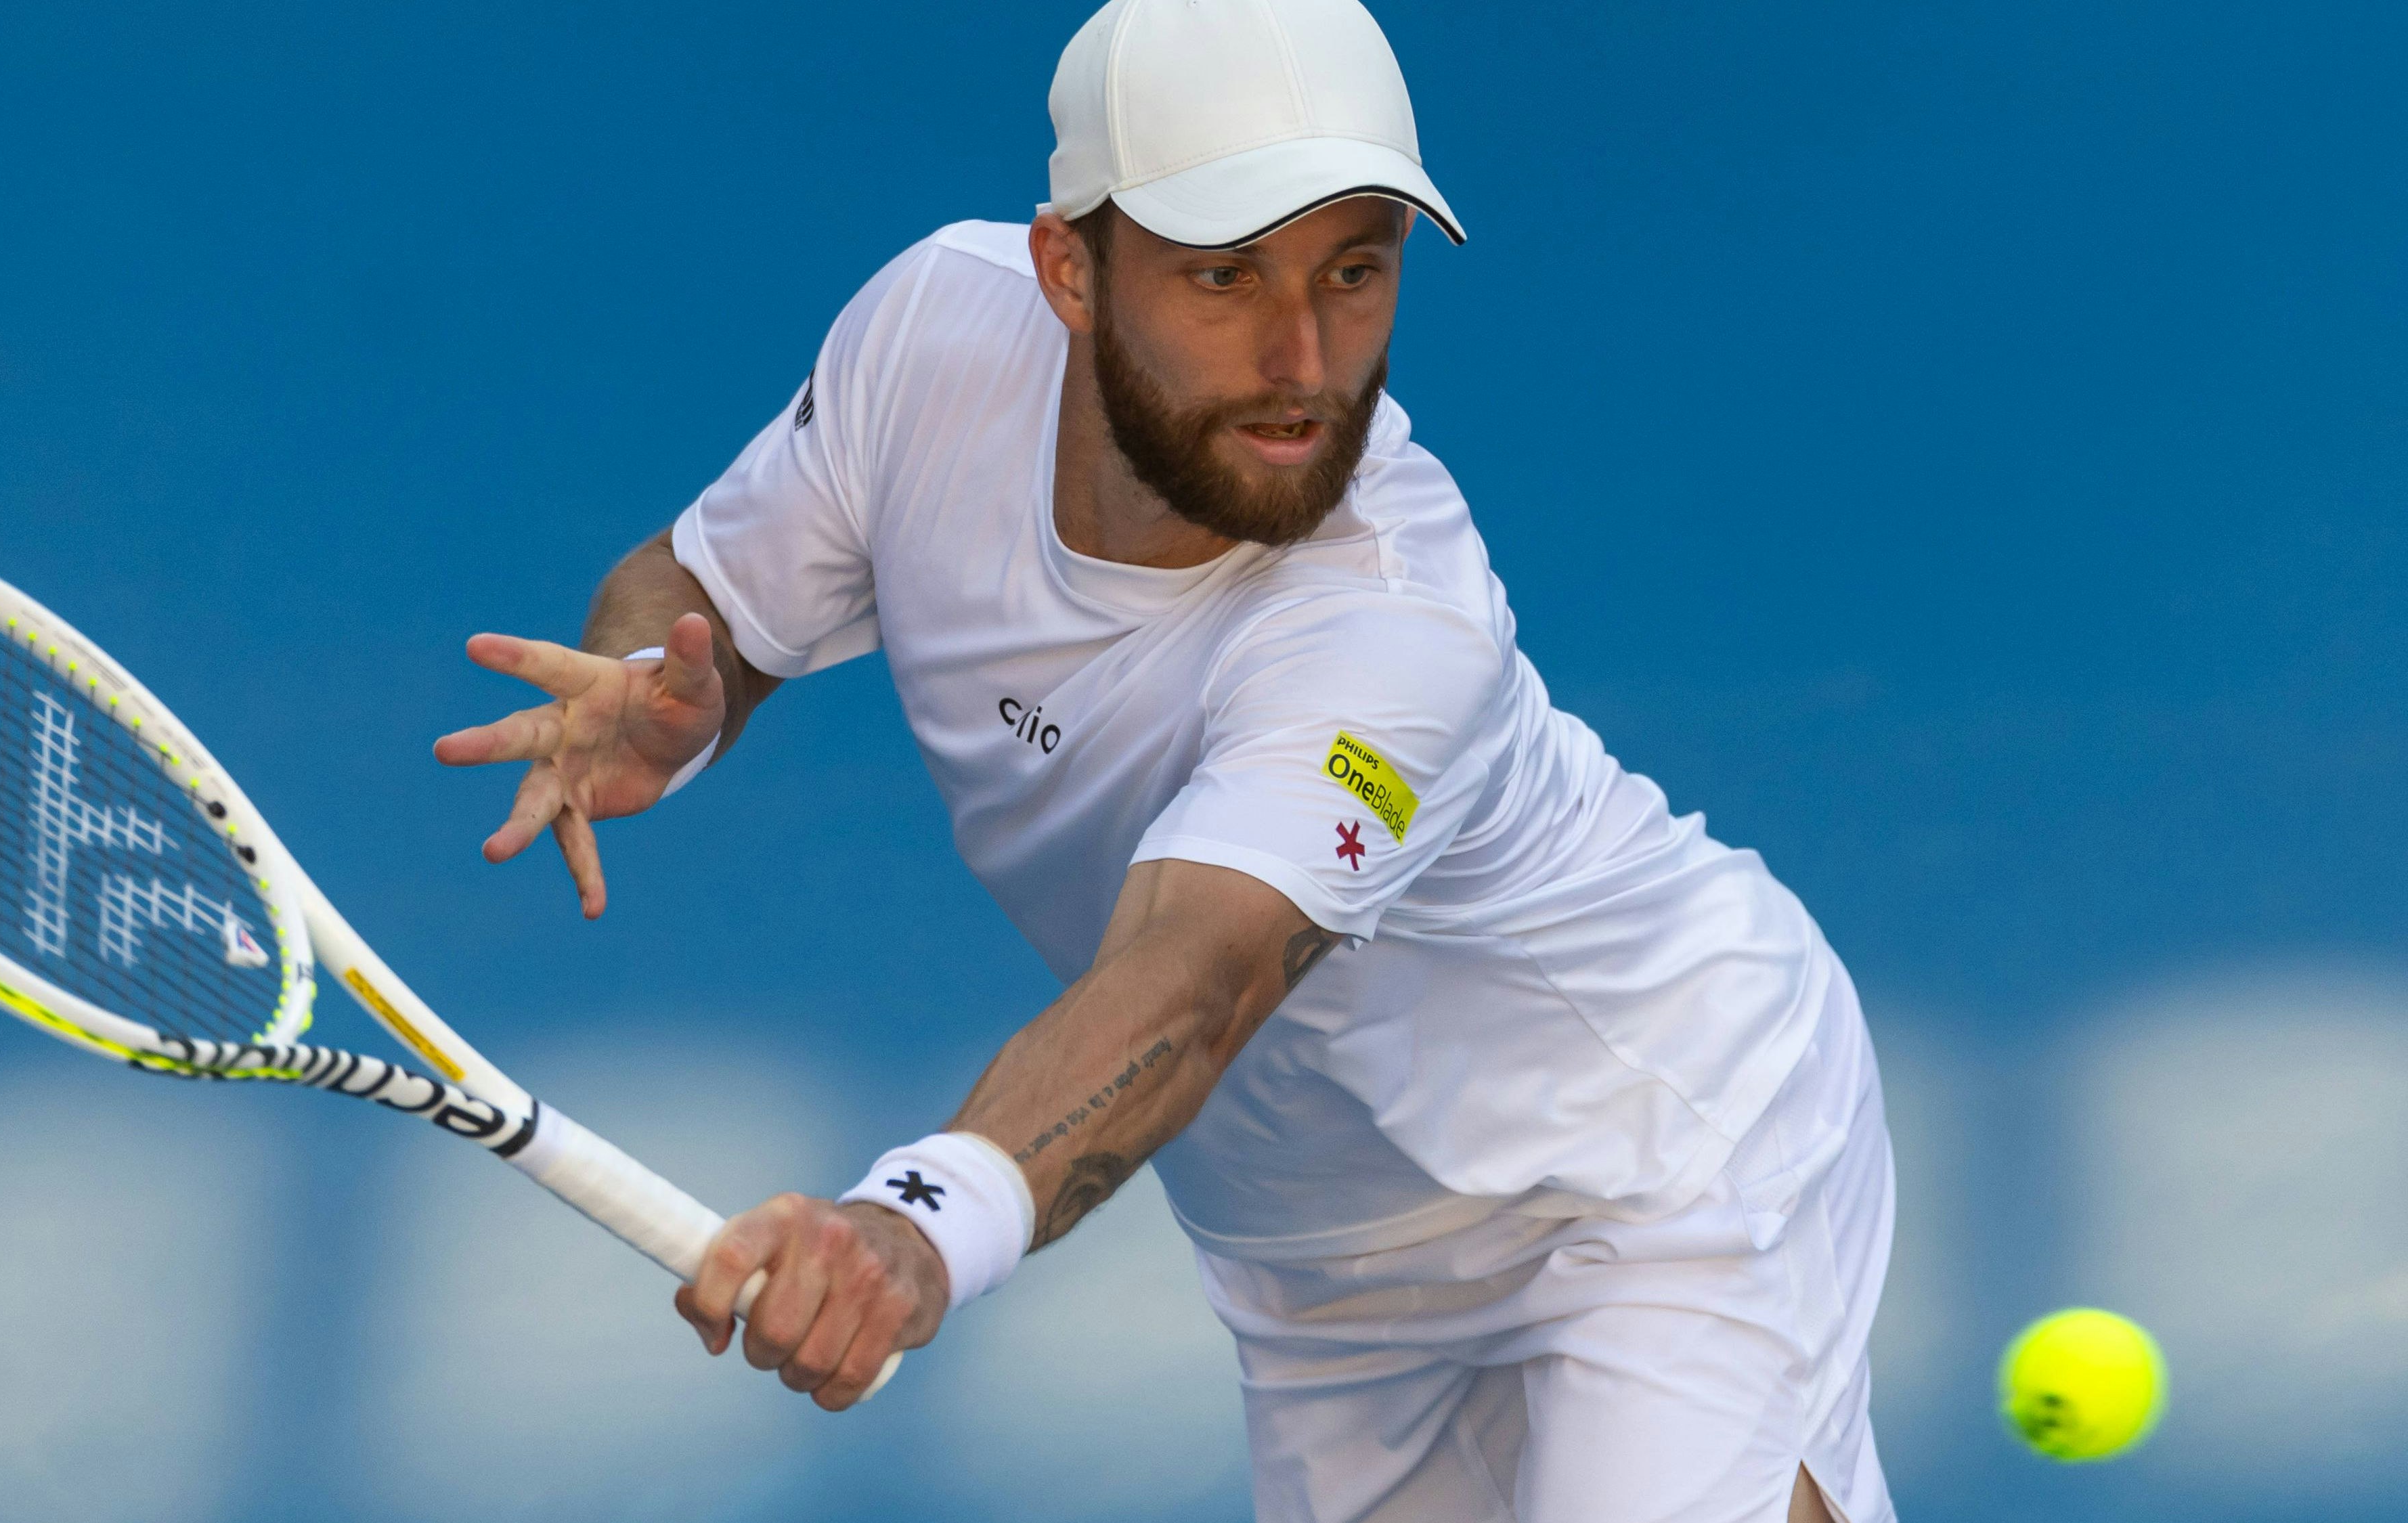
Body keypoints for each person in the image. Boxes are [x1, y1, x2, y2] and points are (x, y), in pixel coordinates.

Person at [434, 2, 1895, 1519]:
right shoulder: (932, 334)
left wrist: (915, 1225)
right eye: (1221, 274)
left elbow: (1188, 986)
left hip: (1648, 1160)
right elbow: (706, 587)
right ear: (1066, 268)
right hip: (1318, 1270)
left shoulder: (1390, 625)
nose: (1301, 358)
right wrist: (666, 686)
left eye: (1354, 269)